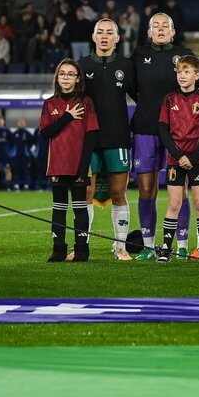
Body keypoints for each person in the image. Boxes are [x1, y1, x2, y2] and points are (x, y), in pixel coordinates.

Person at [130, 13, 194, 258]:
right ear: (148, 32)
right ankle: (147, 246)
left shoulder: (184, 53)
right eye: (155, 26)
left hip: (178, 130)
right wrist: (147, 104)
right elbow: (131, 86)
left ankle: (181, 246)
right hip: (145, 128)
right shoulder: (138, 55)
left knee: (179, 188)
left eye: (165, 25)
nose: (160, 29)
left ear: (173, 31)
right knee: (147, 189)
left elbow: (194, 84)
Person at [79, 18, 136, 260]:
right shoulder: (80, 65)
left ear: (117, 38)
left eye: (109, 33)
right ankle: (82, 246)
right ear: (93, 37)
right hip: (88, 139)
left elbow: (142, 98)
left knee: (118, 192)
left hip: (118, 137)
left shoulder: (126, 65)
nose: (104, 36)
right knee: (86, 193)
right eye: (99, 32)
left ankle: (120, 247)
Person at [39, 59, 99, 262]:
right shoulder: (49, 104)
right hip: (57, 164)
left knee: (80, 209)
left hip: (79, 165)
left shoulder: (86, 102)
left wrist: (84, 167)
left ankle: (82, 250)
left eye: (70, 74)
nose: (66, 78)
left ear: (78, 78)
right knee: (59, 210)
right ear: (57, 77)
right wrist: (66, 117)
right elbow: (45, 133)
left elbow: (91, 135)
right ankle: (58, 250)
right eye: (62, 74)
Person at [157, 55, 199, 262]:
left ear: (197, 75)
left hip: (197, 159)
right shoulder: (169, 99)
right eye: (180, 72)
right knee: (174, 204)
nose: (182, 76)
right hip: (175, 160)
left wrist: (193, 156)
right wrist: (179, 155)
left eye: (187, 72)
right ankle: (166, 248)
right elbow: (163, 130)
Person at [11, 118, 33, 191]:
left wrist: (27, 150)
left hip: (25, 155)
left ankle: (26, 185)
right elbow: (12, 144)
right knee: (16, 170)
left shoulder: (27, 133)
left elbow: (31, 143)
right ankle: (16, 184)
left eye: (22, 122)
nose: (21, 124)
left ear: (25, 124)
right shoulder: (15, 133)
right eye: (19, 122)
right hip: (16, 155)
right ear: (17, 124)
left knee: (26, 170)